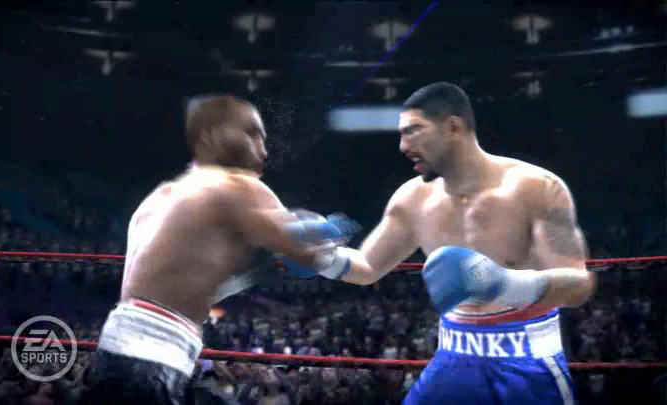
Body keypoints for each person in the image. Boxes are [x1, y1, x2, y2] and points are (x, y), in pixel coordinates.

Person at [282, 82, 594, 404]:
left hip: (527, 363)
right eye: (402, 135)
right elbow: (367, 267)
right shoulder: (412, 199)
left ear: (453, 127)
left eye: (413, 131)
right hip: (452, 358)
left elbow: (579, 285)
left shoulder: (536, 188)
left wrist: (502, 283)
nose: (403, 146)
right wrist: (322, 258)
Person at [80, 94, 360, 405]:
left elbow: (181, 279)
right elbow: (305, 252)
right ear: (210, 136)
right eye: (250, 133)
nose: (263, 149)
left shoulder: (160, 196)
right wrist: (333, 230)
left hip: (117, 349)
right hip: (153, 359)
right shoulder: (236, 186)